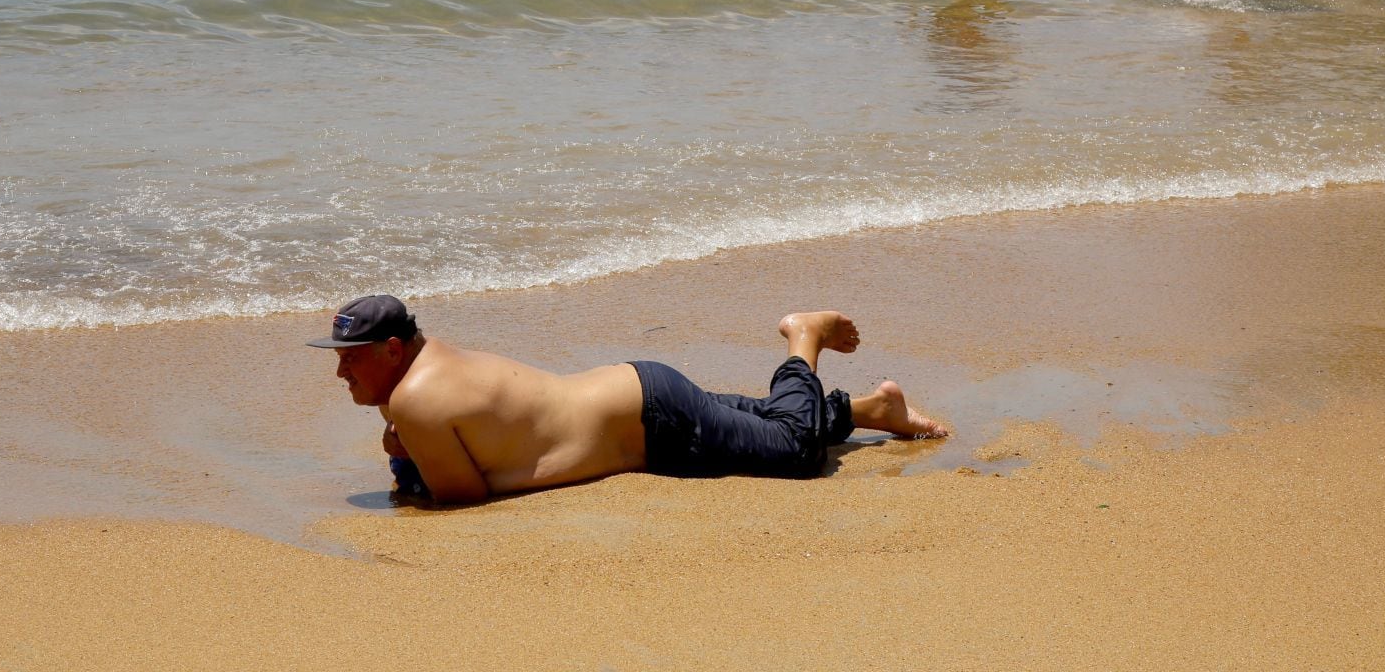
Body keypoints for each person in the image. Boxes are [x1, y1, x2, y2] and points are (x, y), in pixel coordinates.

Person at [310, 295, 948, 503]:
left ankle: (802, 339)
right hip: (635, 393)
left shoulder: (415, 400)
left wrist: (408, 463)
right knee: (756, 421)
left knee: (795, 452)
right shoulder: (428, 367)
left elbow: (459, 500)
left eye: (351, 356)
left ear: (393, 349)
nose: (341, 372)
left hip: (650, 421)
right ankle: (872, 410)